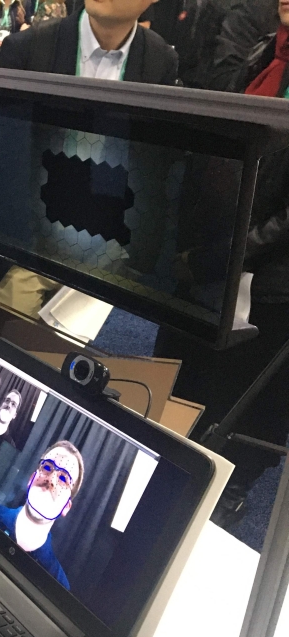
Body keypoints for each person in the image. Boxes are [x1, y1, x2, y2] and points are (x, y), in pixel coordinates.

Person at [153, 0, 289, 528]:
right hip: (210, 253)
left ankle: (226, 493)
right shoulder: (260, 55)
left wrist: (233, 250)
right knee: (184, 374)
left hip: (268, 274)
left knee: (251, 397)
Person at [0, 0, 179, 316]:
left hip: (104, 250)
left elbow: (154, 163)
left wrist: (145, 251)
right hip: (27, 244)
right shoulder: (31, 47)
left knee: (71, 356)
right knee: (10, 352)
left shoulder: (159, 59)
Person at [0, 441, 85, 589]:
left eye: (63, 478)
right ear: (31, 480)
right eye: (47, 467)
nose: (51, 479)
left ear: (66, 507)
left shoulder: (57, 582)